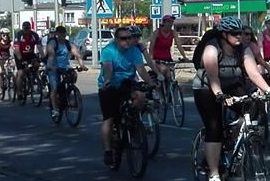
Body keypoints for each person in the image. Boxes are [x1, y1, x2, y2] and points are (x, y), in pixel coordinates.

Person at [192, 16, 270, 181]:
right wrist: (220, 95)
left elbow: (253, 73)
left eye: (241, 33)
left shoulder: (243, 49)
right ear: (224, 34)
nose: (239, 36)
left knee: (253, 106)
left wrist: (269, 90)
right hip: (207, 88)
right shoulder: (212, 49)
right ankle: (214, 174)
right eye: (235, 33)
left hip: (232, 83)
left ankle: (234, 140)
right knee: (214, 127)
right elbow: (213, 77)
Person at [98, 27, 156, 166]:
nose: (128, 41)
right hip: (110, 86)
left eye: (129, 38)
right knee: (109, 119)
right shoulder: (108, 51)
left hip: (127, 84)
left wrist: (151, 83)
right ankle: (108, 151)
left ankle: (133, 122)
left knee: (141, 96)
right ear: (116, 39)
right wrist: (108, 80)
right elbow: (108, 68)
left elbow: (141, 69)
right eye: (124, 38)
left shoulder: (134, 51)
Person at [45, 25, 85, 119]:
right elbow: (51, 54)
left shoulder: (68, 43)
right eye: (60, 34)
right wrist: (53, 66)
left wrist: (82, 65)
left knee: (71, 78)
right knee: (55, 87)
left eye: (64, 34)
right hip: (53, 67)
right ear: (57, 34)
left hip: (65, 67)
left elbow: (77, 54)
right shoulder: (53, 42)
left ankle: (67, 95)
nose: (62, 36)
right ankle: (55, 109)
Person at [148, 15, 188, 79]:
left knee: (171, 75)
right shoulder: (157, 32)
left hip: (168, 59)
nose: (170, 24)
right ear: (163, 23)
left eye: (172, 22)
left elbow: (179, 46)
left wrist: (184, 57)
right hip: (157, 59)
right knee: (164, 70)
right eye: (168, 21)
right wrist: (151, 59)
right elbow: (151, 47)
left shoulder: (173, 33)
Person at [13, 21, 44, 97]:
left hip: (30, 54)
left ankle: (32, 79)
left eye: (28, 28)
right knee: (21, 72)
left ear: (30, 28)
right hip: (20, 55)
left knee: (37, 65)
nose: (27, 30)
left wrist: (43, 57)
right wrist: (21, 60)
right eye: (25, 28)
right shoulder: (19, 35)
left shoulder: (34, 35)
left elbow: (39, 47)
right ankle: (19, 92)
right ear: (23, 28)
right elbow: (17, 49)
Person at [0, 28, 13, 94]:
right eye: (4, 35)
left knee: (14, 69)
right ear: (1, 35)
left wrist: (13, 55)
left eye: (7, 35)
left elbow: (13, 49)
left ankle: (13, 81)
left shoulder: (10, 41)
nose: (5, 36)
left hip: (7, 57)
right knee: (0, 73)